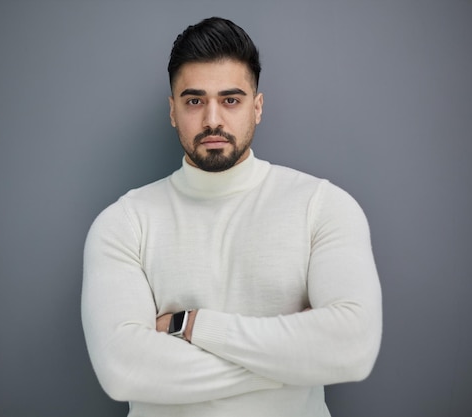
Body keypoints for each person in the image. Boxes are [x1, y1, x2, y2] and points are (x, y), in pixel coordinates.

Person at [81, 17, 382, 417]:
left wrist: (191, 326)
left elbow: (352, 348)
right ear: (172, 110)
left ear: (257, 107)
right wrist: (293, 363)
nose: (212, 120)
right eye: (194, 101)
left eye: (231, 100)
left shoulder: (322, 205)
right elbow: (123, 370)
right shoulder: (125, 223)